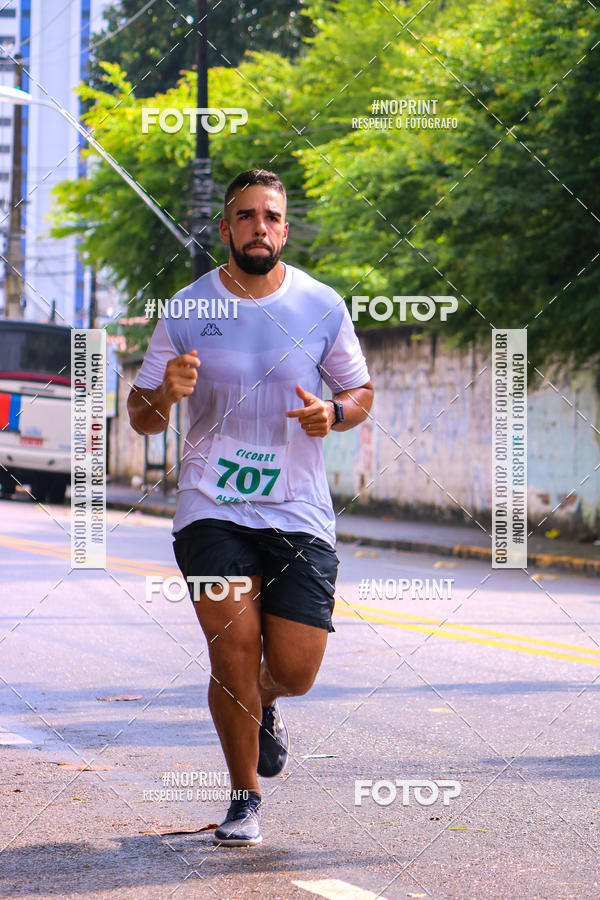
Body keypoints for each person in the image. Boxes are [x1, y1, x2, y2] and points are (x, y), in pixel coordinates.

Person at [127, 169, 374, 846]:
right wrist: (166, 394)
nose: (258, 227)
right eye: (245, 216)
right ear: (226, 228)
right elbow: (141, 416)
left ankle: (263, 703)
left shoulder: (322, 306)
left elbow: (361, 392)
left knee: (294, 670)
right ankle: (244, 796)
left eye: (270, 216)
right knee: (232, 650)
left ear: (283, 230)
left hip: (298, 510)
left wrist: (335, 413)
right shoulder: (186, 310)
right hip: (213, 507)